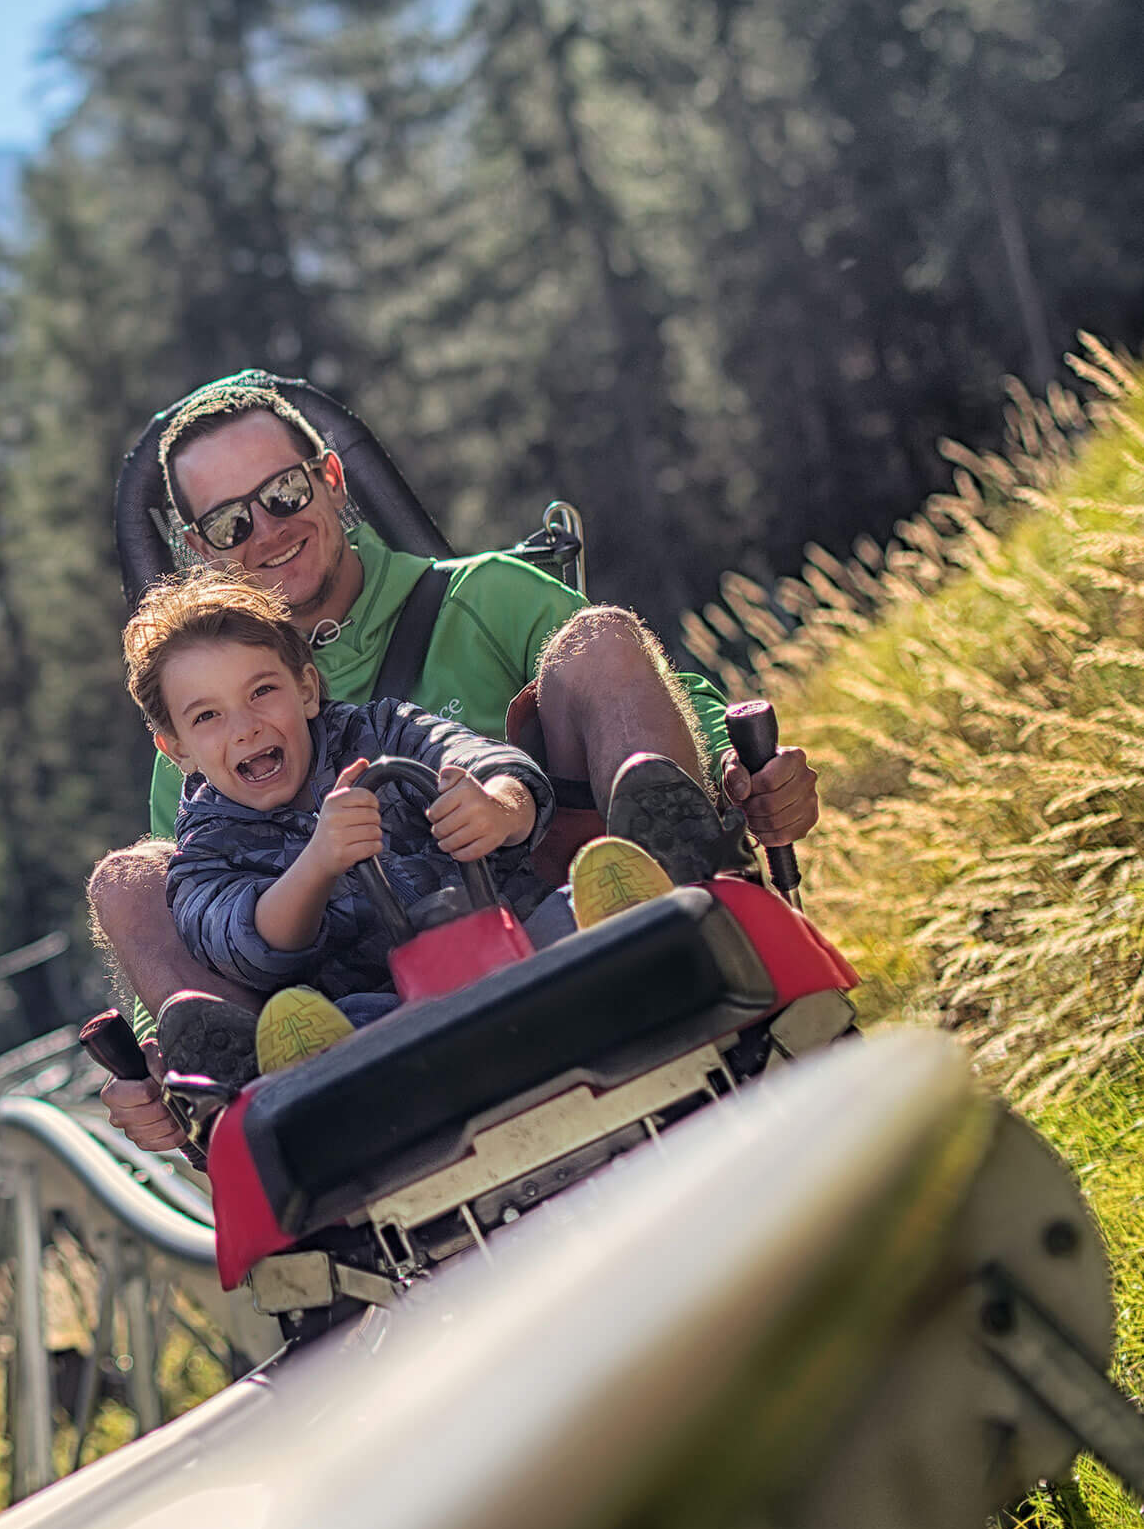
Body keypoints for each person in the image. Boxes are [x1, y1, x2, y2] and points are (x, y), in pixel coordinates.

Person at [91, 379, 819, 1150]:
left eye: (284, 492)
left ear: (332, 478)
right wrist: (158, 1051)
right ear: (202, 549)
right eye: (231, 521)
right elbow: (193, 912)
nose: (267, 530)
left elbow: (655, 699)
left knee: (600, 637)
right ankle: (242, 1090)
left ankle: (673, 908)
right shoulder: (199, 763)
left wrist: (738, 774)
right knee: (128, 881)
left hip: (549, 918)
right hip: (356, 1021)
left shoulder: (481, 599)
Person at [122, 569, 558, 1081]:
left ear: (306, 689)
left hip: (515, 936)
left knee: (565, 910)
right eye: (206, 717)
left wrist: (497, 806)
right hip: (388, 1016)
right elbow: (241, 945)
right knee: (334, 1025)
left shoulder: (382, 730)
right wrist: (319, 863)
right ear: (178, 750)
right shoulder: (206, 852)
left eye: (262, 691)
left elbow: (480, 759)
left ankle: (624, 903)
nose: (245, 728)